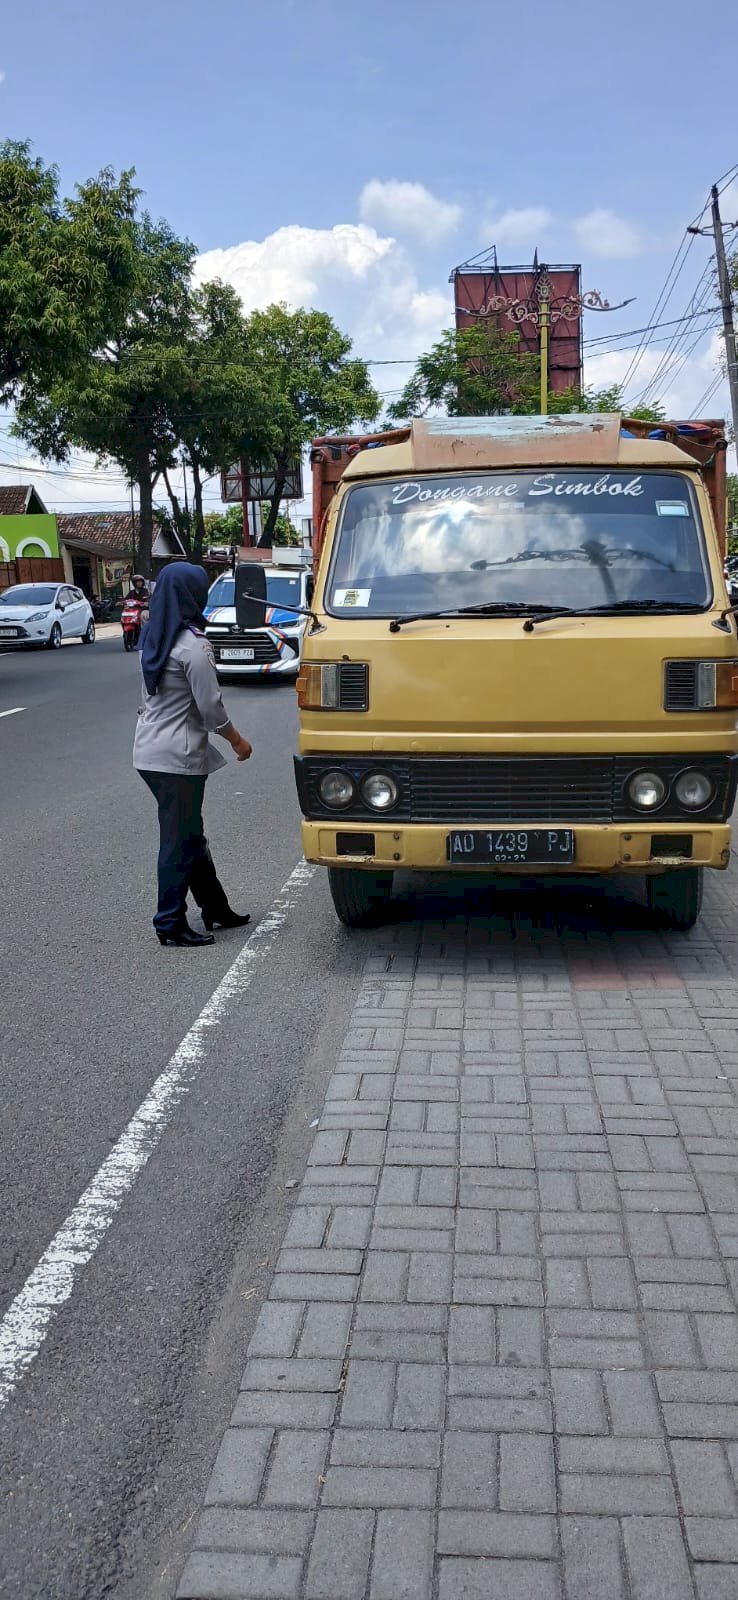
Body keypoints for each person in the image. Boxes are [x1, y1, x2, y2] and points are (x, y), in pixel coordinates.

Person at [133, 562, 253, 947]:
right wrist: (237, 741)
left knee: (189, 835)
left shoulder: (155, 635)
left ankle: (215, 906)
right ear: (192, 595)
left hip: (149, 751)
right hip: (177, 760)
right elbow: (211, 707)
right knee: (178, 842)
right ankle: (169, 921)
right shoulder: (193, 646)